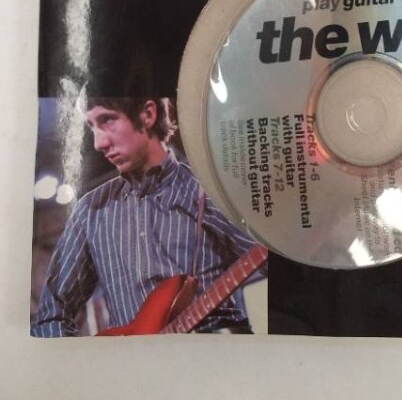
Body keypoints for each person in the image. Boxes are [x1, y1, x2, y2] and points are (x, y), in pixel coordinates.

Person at [31, 97, 261, 337]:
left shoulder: (208, 191)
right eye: (92, 127)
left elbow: (269, 258)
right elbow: (51, 314)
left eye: (107, 120)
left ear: (148, 115)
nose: (99, 143)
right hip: (130, 359)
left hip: (214, 354)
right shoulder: (90, 211)